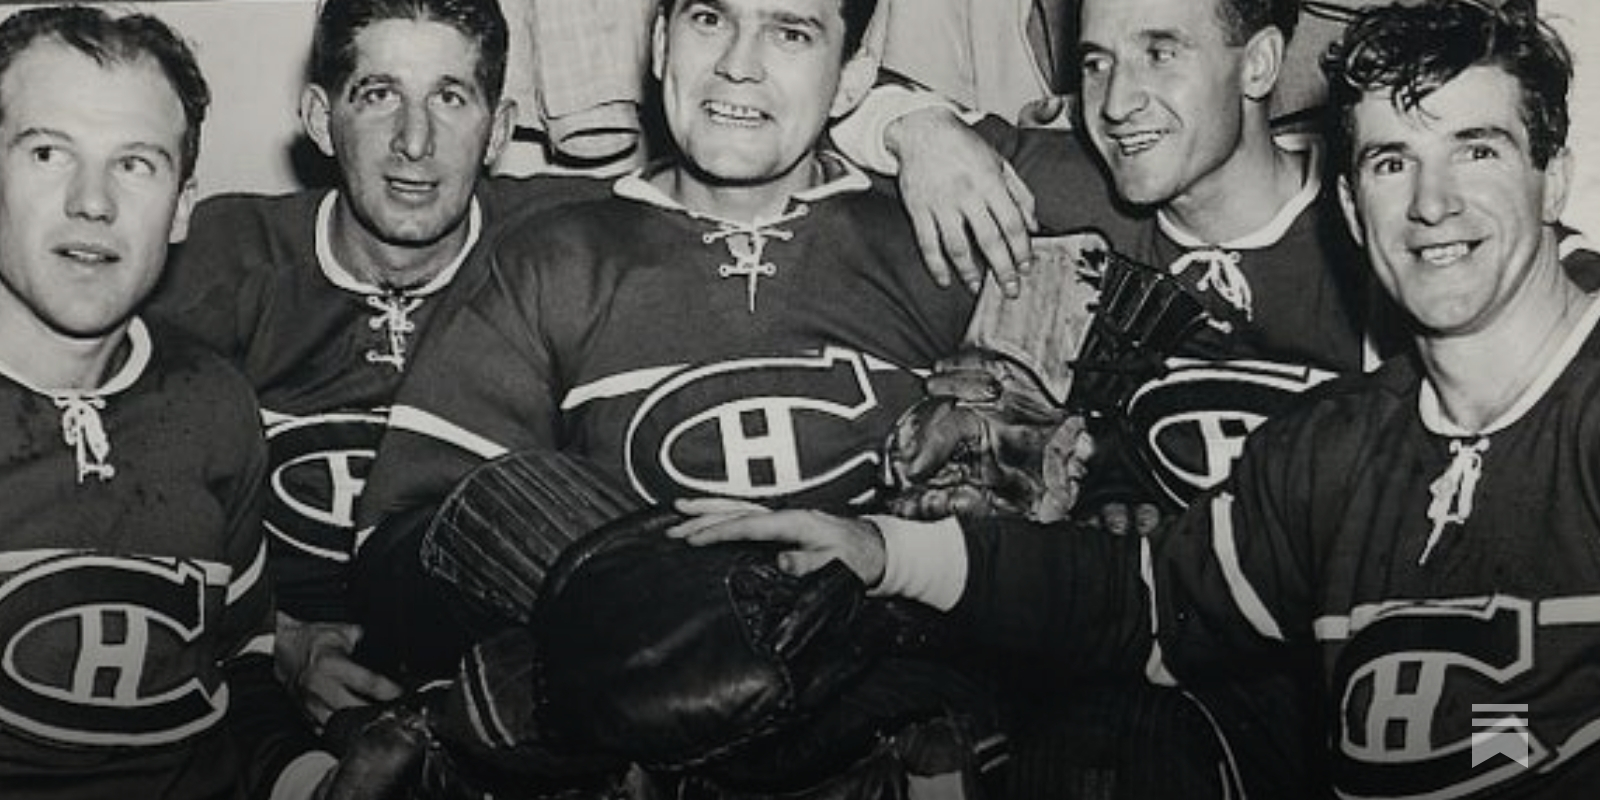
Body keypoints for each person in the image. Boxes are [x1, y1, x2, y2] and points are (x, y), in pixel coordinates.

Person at [677, 1, 1600, 796]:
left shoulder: (1547, 373)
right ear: (1358, 204)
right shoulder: (1325, 447)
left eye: (1475, 151)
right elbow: (1144, 603)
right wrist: (920, 130)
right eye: (1393, 163)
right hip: (1233, 635)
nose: (1117, 103)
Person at [355, 0, 1009, 792]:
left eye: (791, 32)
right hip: (643, 731)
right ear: (661, 42)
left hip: (898, 697)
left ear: (854, 79)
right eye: (709, 18)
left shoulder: (942, 232)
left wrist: (922, 126)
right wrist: (619, 604)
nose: (739, 62)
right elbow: (396, 550)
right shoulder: (552, 258)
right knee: (515, 503)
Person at [147, 0, 609, 724]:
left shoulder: (570, 243)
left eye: (450, 98)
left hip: (515, 674)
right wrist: (277, 641)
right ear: (320, 117)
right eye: (378, 94)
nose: (414, 142)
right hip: (271, 678)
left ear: (500, 131)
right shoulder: (216, 260)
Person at [0, 6, 415, 798]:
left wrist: (312, 784)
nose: (93, 201)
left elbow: (236, 666)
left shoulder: (214, 401)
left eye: (136, 164)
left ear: (184, 204)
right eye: (49, 151)